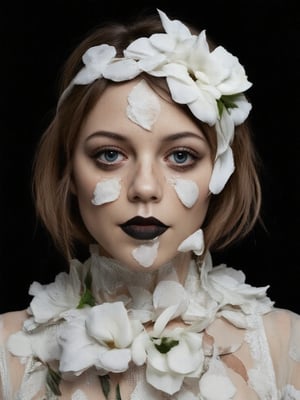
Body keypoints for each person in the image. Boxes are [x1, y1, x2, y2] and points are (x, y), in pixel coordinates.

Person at [0, 7, 299, 399]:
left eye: (180, 156)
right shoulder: (8, 354)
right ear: (68, 172)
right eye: (109, 155)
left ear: (220, 172)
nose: (144, 188)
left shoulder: (284, 345)